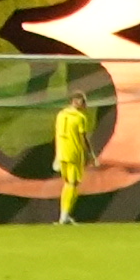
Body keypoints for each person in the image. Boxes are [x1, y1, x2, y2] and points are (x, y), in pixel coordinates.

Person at [52, 89, 96, 225]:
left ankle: (64, 214)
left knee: (68, 183)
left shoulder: (60, 115)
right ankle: (64, 216)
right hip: (74, 153)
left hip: (62, 154)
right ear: (76, 102)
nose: (85, 105)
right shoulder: (80, 117)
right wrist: (91, 154)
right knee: (72, 183)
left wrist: (56, 155)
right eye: (83, 102)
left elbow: (57, 135)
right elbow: (83, 138)